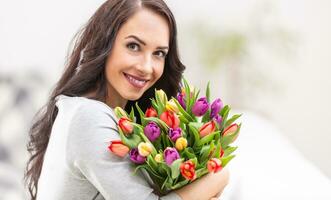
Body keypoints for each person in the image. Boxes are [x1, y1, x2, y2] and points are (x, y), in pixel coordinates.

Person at [24, 0, 229, 199]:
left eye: (159, 53)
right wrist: (217, 177)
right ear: (104, 43)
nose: (146, 67)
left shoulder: (114, 119)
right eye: (133, 46)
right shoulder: (88, 117)